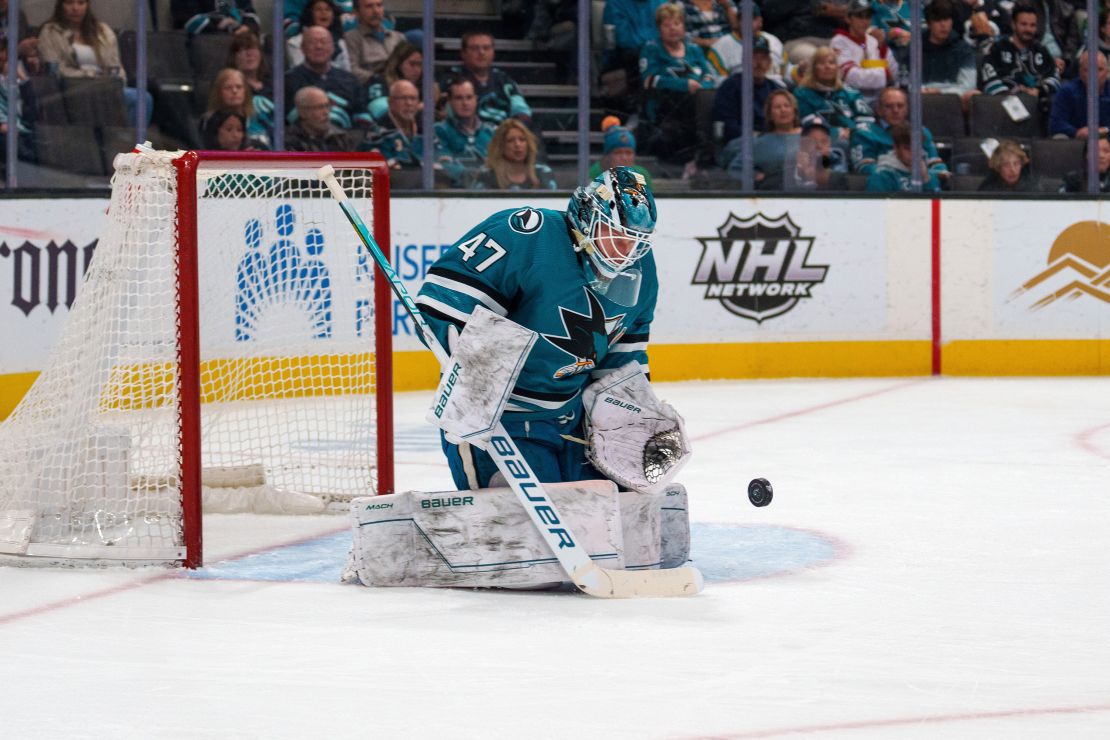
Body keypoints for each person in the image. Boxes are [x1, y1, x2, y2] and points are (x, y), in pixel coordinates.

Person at [414, 167, 659, 490]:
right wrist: (476, 383)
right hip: (499, 422)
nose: (624, 252)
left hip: (573, 422)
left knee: (599, 523)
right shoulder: (528, 235)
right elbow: (440, 306)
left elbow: (622, 360)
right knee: (517, 533)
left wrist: (632, 414)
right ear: (587, 216)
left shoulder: (641, 270)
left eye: (634, 241)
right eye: (614, 235)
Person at [38, 0, 151, 125]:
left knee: (142, 98)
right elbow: (55, 70)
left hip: (105, 87)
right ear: (60, 5)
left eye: (81, 3)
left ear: (88, 6)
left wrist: (117, 82)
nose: (75, 8)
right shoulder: (50, 31)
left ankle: (127, 140)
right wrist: (89, 75)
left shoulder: (103, 30)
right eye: (69, 3)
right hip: (72, 89)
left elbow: (115, 66)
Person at [639, 3, 717, 168]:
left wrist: (702, 85)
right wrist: (683, 85)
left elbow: (709, 74)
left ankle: (708, 150)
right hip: (666, 105)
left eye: (676, 24)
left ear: (683, 26)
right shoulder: (651, 49)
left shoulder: (694, 49)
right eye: (666, 25)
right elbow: (649, 80)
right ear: (659, 28)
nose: (672, 28)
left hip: (697, 99)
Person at [850, 87, 948, 182]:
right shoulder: (864, 133)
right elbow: (864, 168)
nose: (895, 111)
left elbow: (935, 163)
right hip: (883, 187)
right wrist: (901, 173)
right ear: (879, 110)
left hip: (921, 184)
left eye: (900, 106)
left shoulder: (920, 131)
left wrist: (940, 172)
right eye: (889, 106)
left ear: (907, 109)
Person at [285, 25, 369, 130]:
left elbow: (363, 118)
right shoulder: (287, 81)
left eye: (324, 42)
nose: (319, 46)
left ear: (333, 48)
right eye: (312, 42)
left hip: (347, 142)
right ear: (302, 48)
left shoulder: (350, 80)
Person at [794, 46, 875, 154]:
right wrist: (837, 132)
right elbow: (810, 126)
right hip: (821, 145)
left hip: (855, 138)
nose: (827, 66)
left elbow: (867, 120)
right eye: (821, 63)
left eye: (831, 63)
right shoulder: (802, 93)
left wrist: (853, 132)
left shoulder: (851, 93)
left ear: (837, 68)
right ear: (814, 68)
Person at [712, 33, 784, 152]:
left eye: (763, 58)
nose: (759, 63)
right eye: (754, 57)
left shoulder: (775, 89)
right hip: (740, 145)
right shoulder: (730, 87)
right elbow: (726, 127)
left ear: (770, 62)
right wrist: (760, 137)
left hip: (772, 144)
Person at [447, 31, 533, 126]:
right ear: (463, 53)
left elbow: (522, 111)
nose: (481, 52)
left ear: (493, 52)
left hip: (503, 135)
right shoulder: (451, 79)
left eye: (486, 48)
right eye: (475, 48)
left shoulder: (504, 80)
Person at [979, 2, 1061, 98]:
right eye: (1024, 24)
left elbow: (1055, 77)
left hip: (1037, 103)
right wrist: (1014, 93)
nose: (1028, 29)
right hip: (1004, 103)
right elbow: (990, 81)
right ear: (1013, 25)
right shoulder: (997, 49)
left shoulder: (1040, 50)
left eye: (1032, 25)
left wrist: (1040, 90)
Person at [830, 0, 899, 106]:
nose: (865, 21)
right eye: (860, 17)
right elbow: (851, 77)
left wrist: (882, 50)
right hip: (850, 102)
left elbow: (894, 73)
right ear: (848, 19)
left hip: (879, 102)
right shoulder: (838, 42)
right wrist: (884, 73)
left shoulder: (874, 41)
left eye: (868, 17)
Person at [730, 88, 803, 189]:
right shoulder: (760, 143)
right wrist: (755, 175)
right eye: (777, 107)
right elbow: (735, 168)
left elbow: (827, 161)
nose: (783, 110)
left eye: (787, 106)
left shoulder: (809, 136)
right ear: (770, 115)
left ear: (794, 111)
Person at [435, 77, 497, 188]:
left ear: (476, 99)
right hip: (453, 196)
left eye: (469, 97)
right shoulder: (438, 131)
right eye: (459, 98)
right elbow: (442, 166)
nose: (465, 103)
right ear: (449, 101)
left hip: (490, 195)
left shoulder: (491, 131)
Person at [706, 3, 787, 85]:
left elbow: (787, 73)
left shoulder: (774, 41)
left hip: (776, 92)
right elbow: (717, 83)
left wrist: (799, 71)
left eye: (752, 18)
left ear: (760, 21)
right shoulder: (720, 47)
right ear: (738, 22)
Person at [473, 118, 557, 190]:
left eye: (522, 139)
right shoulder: (486, 175)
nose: (518, 144)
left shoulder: (543, 172)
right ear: (501, 146)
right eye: (510, 140)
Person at [921, 0, 979, 105]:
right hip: (920, 97)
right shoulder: (915, 47)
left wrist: (941, 92)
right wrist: (926, 91)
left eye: (947, 19)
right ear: (929, 24)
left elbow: (968, 85)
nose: (943, 25)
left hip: (953, 100)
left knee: (973, 94)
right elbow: (905, 81)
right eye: (938, 20)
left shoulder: (963, 49)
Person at [201, 67, 270, 149]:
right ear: (218, 92)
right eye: (228, 88)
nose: (234, 91)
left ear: (246, 91)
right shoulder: (209, 121)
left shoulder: (259, 117)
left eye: (239, 87)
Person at [361, 79, 423, 169]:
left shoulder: (425, 127)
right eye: (403, 98)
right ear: (390, 102)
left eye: (413, 98)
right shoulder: (377, 132)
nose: (409, 103)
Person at [367, 41, 432, 125]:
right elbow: (379, 112)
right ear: (398, 64)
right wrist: (417, 108)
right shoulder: (379, 82)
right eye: (412, 64)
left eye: (420, 65)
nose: (417, 70)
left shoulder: (423, 86)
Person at [1049, 50, 1110, 139]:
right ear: (1080, 72)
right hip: (1076, 142)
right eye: (1088, 70)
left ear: (1107, 72)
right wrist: (1076, 132)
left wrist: (1105, 130)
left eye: (1099, 69)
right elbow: (1056, 123)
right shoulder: (1067, 91)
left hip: (1107, 140)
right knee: (1059, 138)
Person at [864, 122, 943, 191]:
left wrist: (926, 179)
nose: (914, 153)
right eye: (908, 148)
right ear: (896, 148)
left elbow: (936, 203)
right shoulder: (882, 176)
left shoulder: (928, 174)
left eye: (917, 148)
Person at [226, 31, 274, 141]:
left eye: (253, 48)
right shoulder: (229, 87)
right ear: (234, 57)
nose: (249, 54)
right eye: (243, 50)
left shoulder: (274, 85)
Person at [344, 0, 405, 85]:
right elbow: (352, 69)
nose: (376, 11)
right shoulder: (350, 38)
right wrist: (378, 78)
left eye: (379, 5)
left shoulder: (398, 37)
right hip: (371, 86)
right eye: (369, 6)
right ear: (356, 12)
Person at [785, 114, 850, 190]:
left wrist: (814, 176)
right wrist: (801, 172)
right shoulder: (790, 167)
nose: (819, 146)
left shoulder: (838, 169)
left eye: (824, 141)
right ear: (802, 144)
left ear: (829, 144)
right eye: (813, 141)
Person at [284, 85, 356, 151]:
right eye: (319, 107)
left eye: (327, 106)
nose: (326, 112)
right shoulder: (287, 141)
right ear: (302, 113)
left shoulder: (342, 137)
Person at [286, 0, 353, 71]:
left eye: (328, 9)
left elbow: (347, 70)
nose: (324, 13)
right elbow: (298, 70)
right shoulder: (295, 43)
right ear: (310, 14)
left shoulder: (340, 42)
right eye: (318, 9)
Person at [589, 116, 654, 187]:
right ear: (607, 155)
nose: (624, 157)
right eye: (618, 152)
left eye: (629, 153)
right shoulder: (595, 173)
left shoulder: (641, 175)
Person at [173, 0, 260, 36]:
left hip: (239, 39)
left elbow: (251, 14)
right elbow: (186, 21)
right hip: (206, 41)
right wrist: (222, 24)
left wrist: (247, 26)